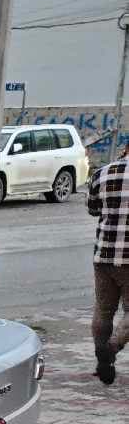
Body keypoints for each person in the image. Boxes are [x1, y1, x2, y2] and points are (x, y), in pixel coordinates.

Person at [87, 139, 129, 384]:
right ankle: (110, 349)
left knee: (104, 309)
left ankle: (101, 359)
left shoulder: (102, 173)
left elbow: (92, 209)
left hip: (103, 254)